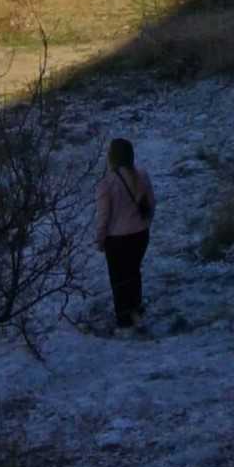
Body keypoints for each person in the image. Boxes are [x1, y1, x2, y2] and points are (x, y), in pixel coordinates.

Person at [94, 135, 156, 329]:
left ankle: (124, 318)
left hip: (117, 239)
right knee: (133, 272)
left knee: (118, 279)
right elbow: (152, 204)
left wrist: (100, 239)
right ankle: (136, 308)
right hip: (140, 234)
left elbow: (104, 216)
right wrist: (145, 223)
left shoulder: (107, 183)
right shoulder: (142, 176)